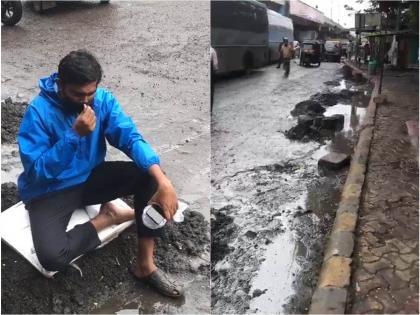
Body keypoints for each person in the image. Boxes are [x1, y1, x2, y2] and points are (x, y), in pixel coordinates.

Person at [17, 50, 184, 298]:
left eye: (90, 93)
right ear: (61, 85)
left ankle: (145, 266)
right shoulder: (39, 113)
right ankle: (107, 218)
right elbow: (37, 172)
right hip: (50, 190)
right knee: (52, 257)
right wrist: (74, 136)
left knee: (149, 176)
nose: (85, 101)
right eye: (78, 94)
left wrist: (163, 180)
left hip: (89, 179)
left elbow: (130, 137)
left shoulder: (102, 101)